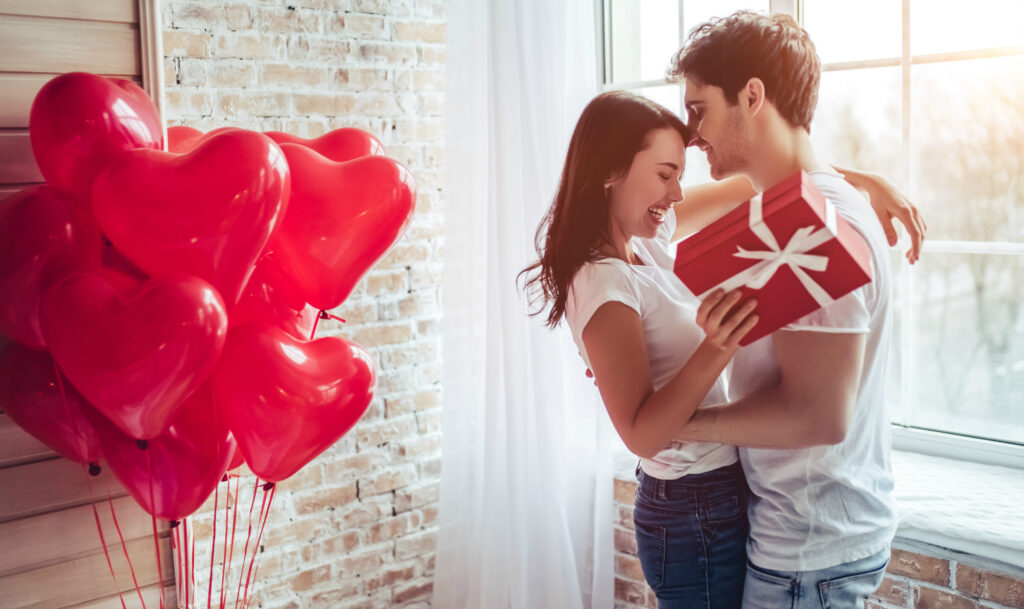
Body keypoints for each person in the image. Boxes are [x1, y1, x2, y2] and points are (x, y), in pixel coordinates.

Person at [519, 89, 923, 607]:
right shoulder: (602, 283)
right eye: (665, 175)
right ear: (609, 172)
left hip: (720, 493)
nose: (678, 196)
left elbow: (751, 182)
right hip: (689, 510)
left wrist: (863, 181)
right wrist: (719, 343)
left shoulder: (647, 241)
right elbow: (641, 434)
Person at [667, 11, 904, 609]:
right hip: (812, 543)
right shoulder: (791, 209)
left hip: (809, 555)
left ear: (752, 96)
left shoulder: (817, 229)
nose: (693, 135)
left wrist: (675, 423)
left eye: (699, 110)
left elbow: (817, 416)